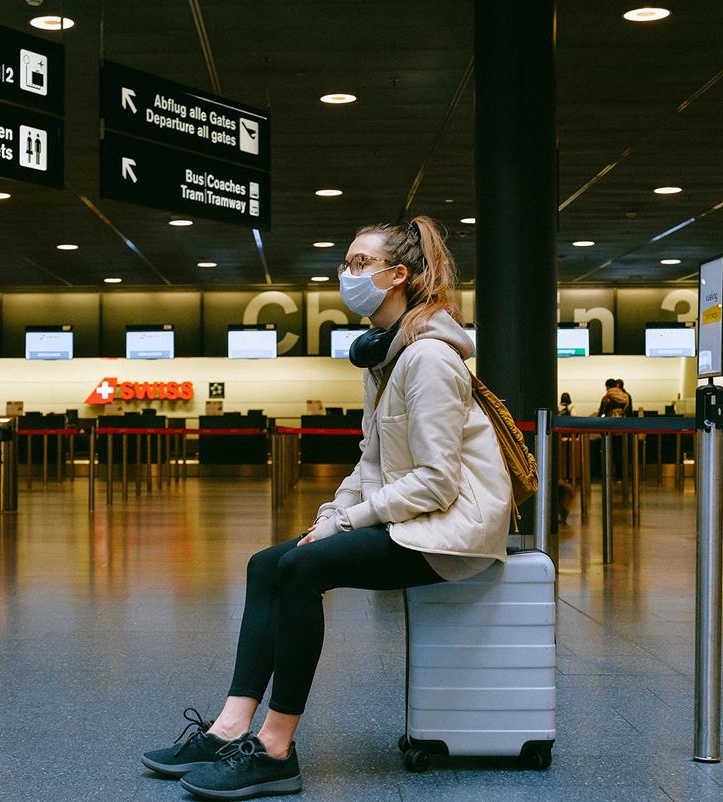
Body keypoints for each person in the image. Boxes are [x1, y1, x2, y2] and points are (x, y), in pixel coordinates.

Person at [141, 217, 512, 800]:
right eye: (346, 262)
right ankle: (228, 727)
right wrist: (330, 515)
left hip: (449, 533)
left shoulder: (430, 360)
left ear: (398, 276)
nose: (347, 273)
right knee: (268, 563)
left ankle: (274, 749)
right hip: (412, 519)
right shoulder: (387, 358)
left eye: (359, 263)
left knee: (301, 569)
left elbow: (438, 483)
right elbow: (372, 459)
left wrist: (349, 522)